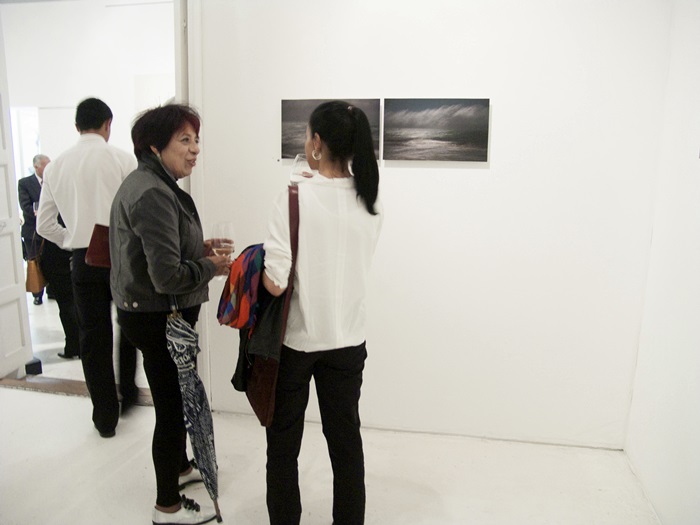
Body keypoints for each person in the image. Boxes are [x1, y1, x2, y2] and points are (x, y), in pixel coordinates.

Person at [261, 101, 383, 525]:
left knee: (283, 446)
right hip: (348, 340)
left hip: (297, 341)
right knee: (346, 444)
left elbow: (276, 282)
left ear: (316, 142)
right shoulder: (371, 199)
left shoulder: (293, 196)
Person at [110, 103, 229, 525]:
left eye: (197, 140)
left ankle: (179, 467)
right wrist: (210, 267)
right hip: (159, 316)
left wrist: (198, 249)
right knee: (171, 406)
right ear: (154, 146)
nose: (195, 149)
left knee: (174, 398)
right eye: (185, 140)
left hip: (154, 313)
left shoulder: (154, 183)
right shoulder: (153, 193)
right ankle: (167, 507)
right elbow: (166, 276)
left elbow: (160, 252)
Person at [37, 97, 139, 437]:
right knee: (129, 326)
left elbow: (44, 225)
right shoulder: (123, 159)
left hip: (82, 259)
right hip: (121, 255)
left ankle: (105, 418)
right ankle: (129, 393)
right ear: (108, 124)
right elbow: (137, 212)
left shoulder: (55, 167)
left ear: (77, 126)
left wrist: (71, 239)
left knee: (93, 339)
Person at [18, 154, 49, 305]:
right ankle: (37, 294)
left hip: (50, 228)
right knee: (35, 263)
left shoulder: (51, 181)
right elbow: (25, 206)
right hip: (33, 230)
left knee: (51, 261)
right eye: (45, 165)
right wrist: (38, 212)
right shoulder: (25, 183)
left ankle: (52, 290)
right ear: (36, 167)